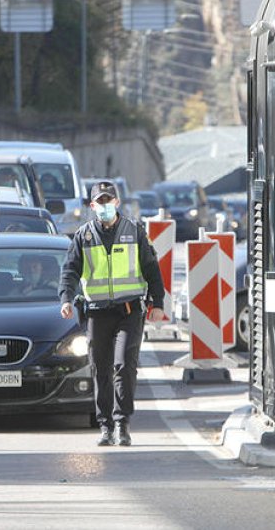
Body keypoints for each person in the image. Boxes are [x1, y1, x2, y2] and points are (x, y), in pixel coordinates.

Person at [60, 180, 165, 447]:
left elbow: (152, 269)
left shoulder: (134, 231)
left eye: (109, 200)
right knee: (100, 369)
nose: (105, 206)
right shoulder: (83, 236)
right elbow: (69, 271)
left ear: (117, 203)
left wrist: (158, 303)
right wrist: (66, 299)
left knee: (124, 364)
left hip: (129, 311)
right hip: (97, 313)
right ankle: (105, 425)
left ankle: (122, 423)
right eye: (100, 202)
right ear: (92, 205)